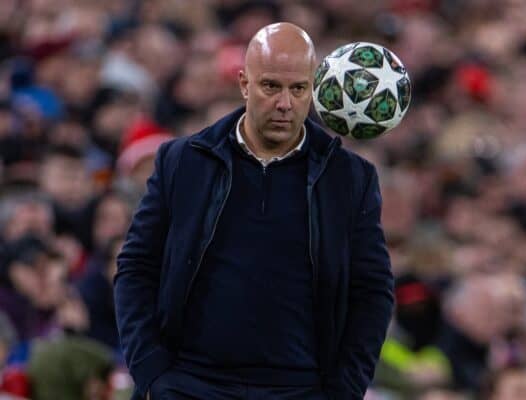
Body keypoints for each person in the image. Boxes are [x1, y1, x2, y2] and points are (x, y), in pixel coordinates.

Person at [114, 22, 393, 400]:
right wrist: (151, 374)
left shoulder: (350, 179)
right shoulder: (183, 161)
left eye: (298, 89)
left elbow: (372, 293)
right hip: (189, 384)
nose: (284, 103)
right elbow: (135, 268)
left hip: (299, 389)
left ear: (314, 88)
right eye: (271, 86)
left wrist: (344, 390)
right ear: (244, 84)